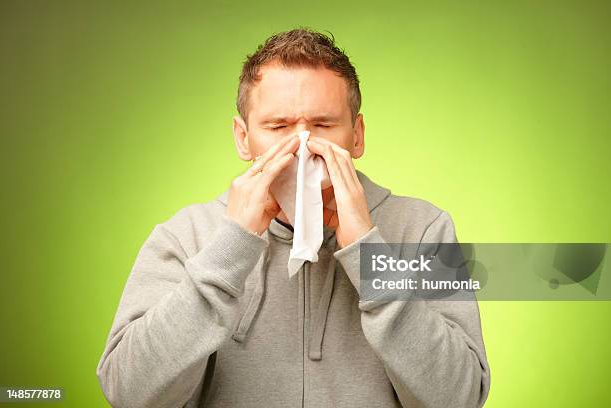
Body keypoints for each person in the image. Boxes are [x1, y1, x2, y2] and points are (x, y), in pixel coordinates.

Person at [97, 27, 491, 408]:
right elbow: (129, 393)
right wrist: (230, 248)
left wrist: (368, 254)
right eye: (278, 126)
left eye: (322, 125)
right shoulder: (186, 237)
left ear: (357, 135)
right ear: (243, 137)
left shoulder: (423, 229)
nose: (302, 147)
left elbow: (459, 398)